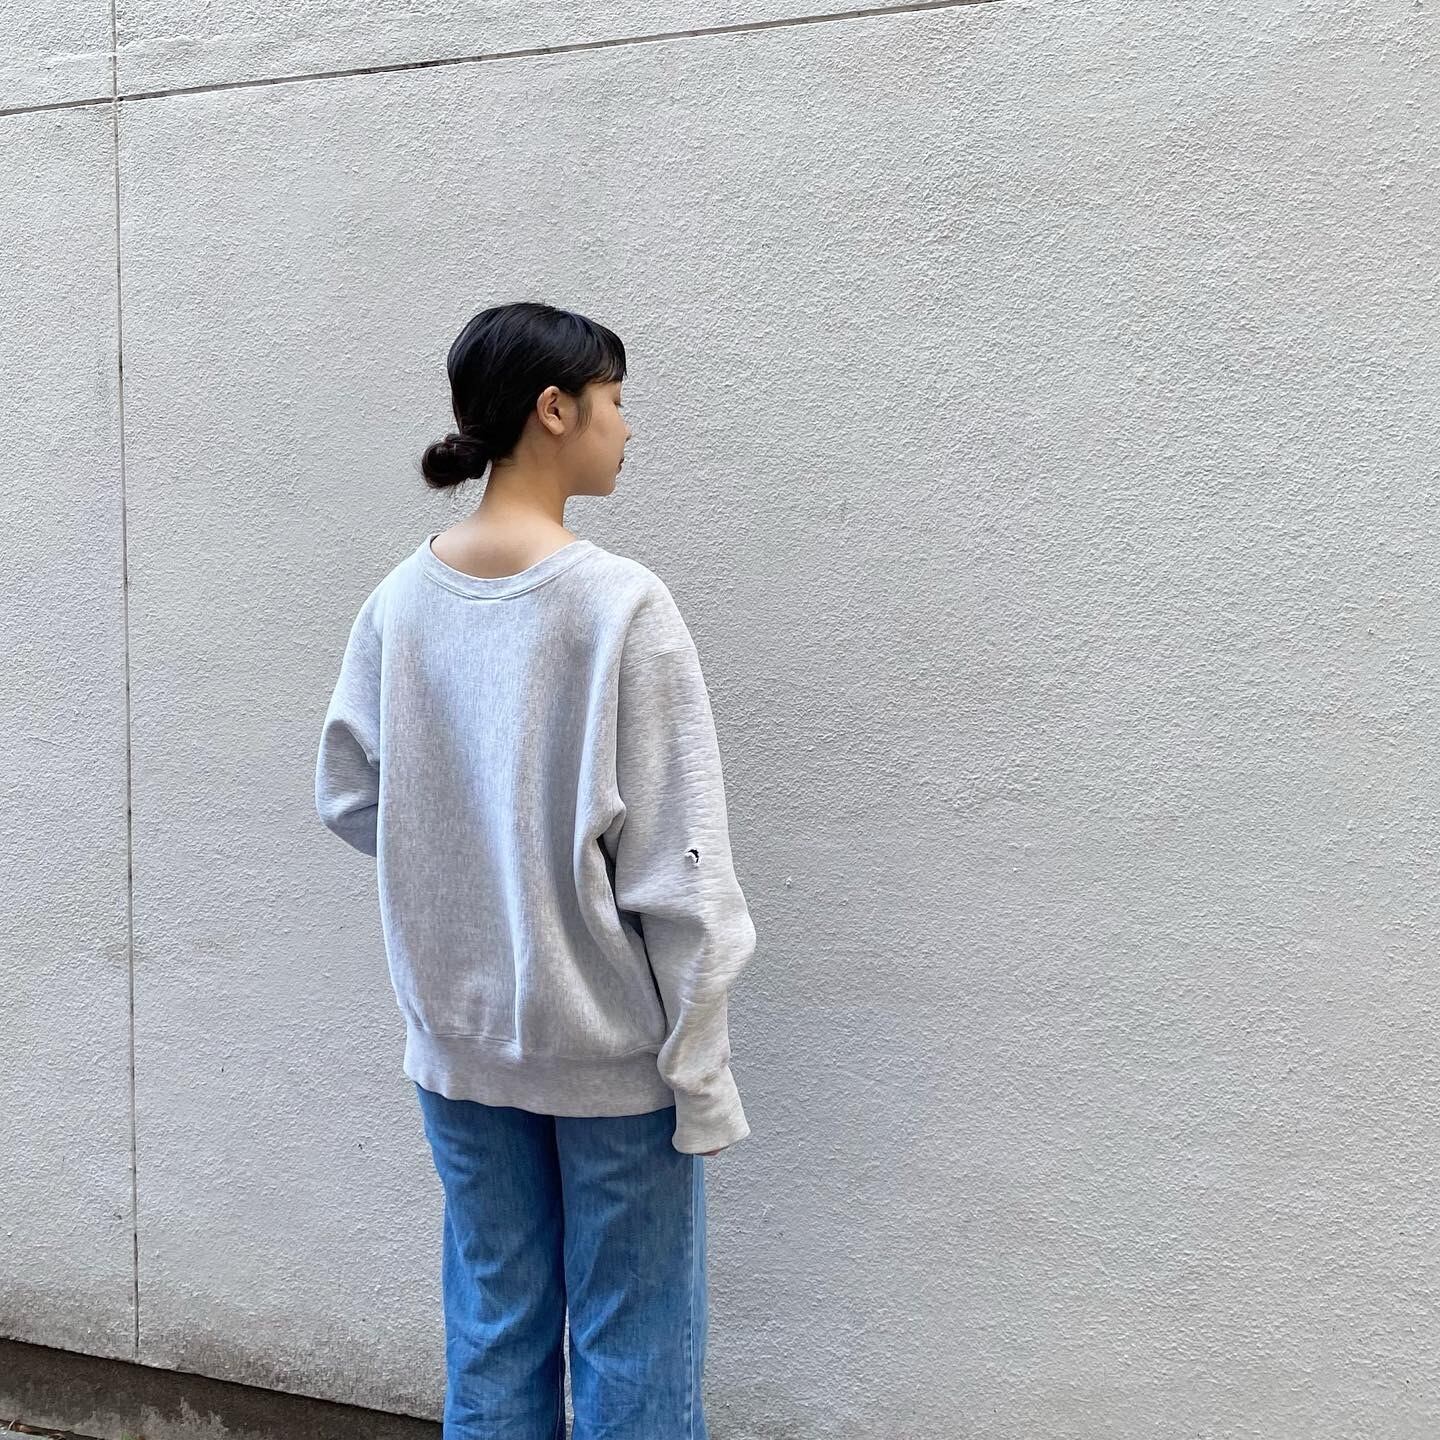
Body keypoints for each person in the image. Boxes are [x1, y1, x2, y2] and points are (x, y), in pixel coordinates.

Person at [313, 301, 757, 1439]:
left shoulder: (400, 602)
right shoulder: (619, 606)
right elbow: (681, 869)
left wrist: (472, 869)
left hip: (457, 1044)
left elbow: (351, 795)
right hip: (607, 1052)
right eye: (614, 399)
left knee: (494, 1331)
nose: (627, 426)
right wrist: (700, 1070)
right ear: (553, 410)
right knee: (634, 1343)